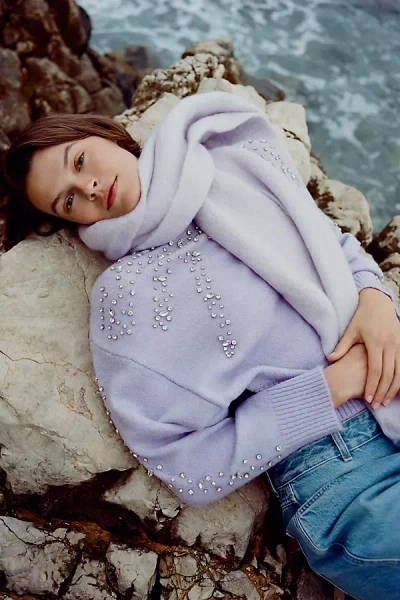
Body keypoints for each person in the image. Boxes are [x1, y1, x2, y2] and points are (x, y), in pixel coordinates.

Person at [2, 92, 400, 600]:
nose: (90, 187)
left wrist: (375, 299)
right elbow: (191, 465)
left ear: (101, 133)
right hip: (342, 472)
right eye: (68, 200)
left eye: (79, 162)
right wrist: (329, 389)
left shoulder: (224, 154)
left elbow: (331, 241)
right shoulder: (126, 298)